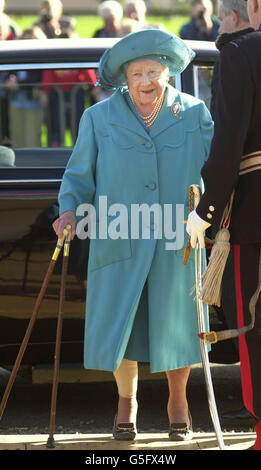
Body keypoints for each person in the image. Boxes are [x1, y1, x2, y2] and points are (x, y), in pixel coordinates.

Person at [53, 29, 213, 442]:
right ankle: (127, 402)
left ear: (169, 73)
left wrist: (211, 214)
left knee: (178, 323)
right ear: (124, 78)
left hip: (178, 238)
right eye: (137, 72)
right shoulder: (98, 118)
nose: (146, 81)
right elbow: (77, 175)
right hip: (118, 234)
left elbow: (217, 171)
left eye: (154, 71)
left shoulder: (194, 114)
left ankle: (178, 400)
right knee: (120, 322)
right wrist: (68, 209)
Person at [186, 0, 261, 451]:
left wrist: (206, 212)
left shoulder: (241, 51)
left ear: (251, 6)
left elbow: (228, 141)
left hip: (253, 220)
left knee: (254, 326)